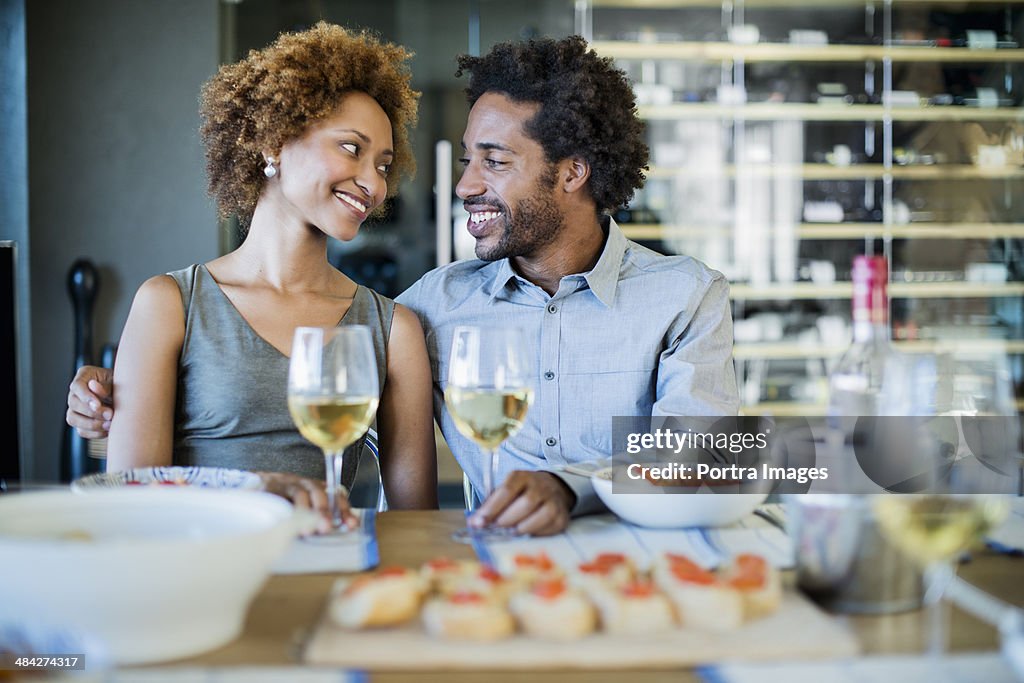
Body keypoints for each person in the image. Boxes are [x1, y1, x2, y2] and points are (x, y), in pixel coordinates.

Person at [68, 35, 737, 536]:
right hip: (473, 571)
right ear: (272, 140)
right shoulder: (431, 307)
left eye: (493, 161)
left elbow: (711, 454)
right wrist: (107, 394)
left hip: (653, 567)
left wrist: (568, 487)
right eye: (353, 148)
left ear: (571, 173)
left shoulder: (685, 295)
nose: (465, 184)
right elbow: (129, 494)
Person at [77, 22, 438, 525]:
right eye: (351, 148)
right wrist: (259, 492)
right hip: (199, 582)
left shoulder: (392, 328)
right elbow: (129, 505)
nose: (372, 183)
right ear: (275, 142)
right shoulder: (170, 303)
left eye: (383, 164)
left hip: (323, 578)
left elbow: (416, 526)